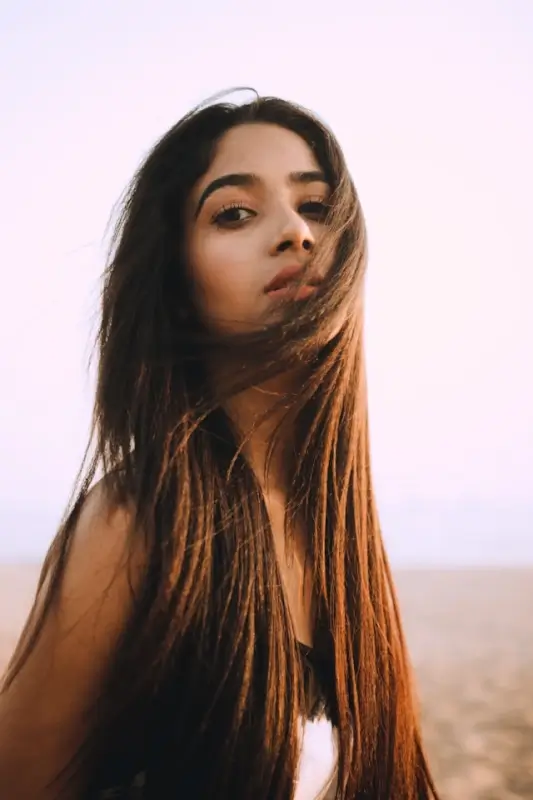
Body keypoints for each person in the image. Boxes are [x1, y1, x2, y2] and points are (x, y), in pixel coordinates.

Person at [0, 89, 439, 799]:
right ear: (175, 282)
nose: (295, 232)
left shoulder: (339, 532)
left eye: (317, 207)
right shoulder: (139, 521)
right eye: (234, 213)